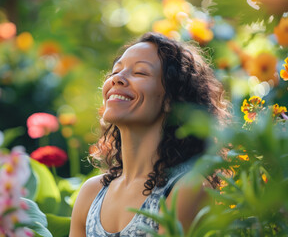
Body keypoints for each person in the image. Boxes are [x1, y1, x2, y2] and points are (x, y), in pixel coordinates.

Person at [69, 32, 230, 236]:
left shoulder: (186, 189)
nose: (117, 78)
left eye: (140, 73)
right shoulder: (91, 192)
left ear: (172, 99)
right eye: (116, 71)